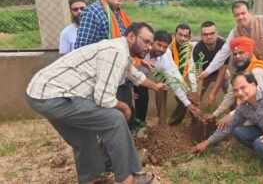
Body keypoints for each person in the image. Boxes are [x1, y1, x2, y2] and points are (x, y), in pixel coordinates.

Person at [26, 22, 164, 184]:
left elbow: (135, 75)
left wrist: (155, 86)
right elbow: (104, 98)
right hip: (54, 96)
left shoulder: (120, 51)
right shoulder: (116, 53)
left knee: (83, 135)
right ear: (131, 37)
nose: (149, 47)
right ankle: (128, 178)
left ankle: (90, 179)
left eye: (150, 43)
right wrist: (124, 106)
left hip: (39, 93)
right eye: (146, 41)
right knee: (115, 119)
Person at [74, 0, 139, 132]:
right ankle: (109, 152)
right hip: (103, 78)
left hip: (120, 76)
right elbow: (81, 49)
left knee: (123, 118)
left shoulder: (119, 14)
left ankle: (121, 147)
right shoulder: (93, 13)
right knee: (110, 121)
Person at [199, 0, 263, 88]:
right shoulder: (235, 32)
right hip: (257, 67)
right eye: (237, 15)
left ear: (249, 12)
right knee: (258, 91)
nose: (241, 17)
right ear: (234, 16)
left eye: (243, 13)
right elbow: (223, 53)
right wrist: (207, 71)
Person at [204, 36, 263, 126]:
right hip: (257, 110)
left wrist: (231, 115)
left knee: (240, 125)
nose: (238, 56)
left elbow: (259, 100)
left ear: (250, 52)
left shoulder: (257, 71)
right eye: (235, 54)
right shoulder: (242, 71)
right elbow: (230, 95)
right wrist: (214, 115)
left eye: (241, 53)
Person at [133, 30, 201, 126]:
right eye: (159, 45)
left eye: (165, 47)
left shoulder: (164, 58)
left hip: (140, 79)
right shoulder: (140, 49)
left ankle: (138, 126)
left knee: (142, 100)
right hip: (124, 76)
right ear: (152, 42)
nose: (161, 49)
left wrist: (187, 103)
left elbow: (174, 80)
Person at [155, 24, 199, 126]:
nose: (182, 38)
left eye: (185, 36)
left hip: (184, 78)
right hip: (165, 76)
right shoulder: (167, 48)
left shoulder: (193, 48)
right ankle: (162, 124)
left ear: (189, 37)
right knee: (160, 88)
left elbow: (194, 69)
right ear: (175, 35)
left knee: (189, 95)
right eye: (180, 35)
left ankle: (174, 124)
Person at [192, 21, 230, 106]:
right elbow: (199, 76)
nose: (209, 36)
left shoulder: (224, 46)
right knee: (196, 97)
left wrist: (213, 93)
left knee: (232, 92)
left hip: (220, 73)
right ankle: (195, 117)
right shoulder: (197, 49)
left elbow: (222, 73)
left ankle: (234, 116)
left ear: (216, 33)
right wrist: (198, 94)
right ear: (201, 35)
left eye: (212, 33)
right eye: (205, 34)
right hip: (204, 75)